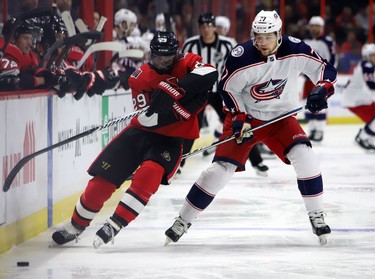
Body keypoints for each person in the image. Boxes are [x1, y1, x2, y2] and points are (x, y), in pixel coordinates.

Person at [165, 10, 337, 246]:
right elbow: (227, 89)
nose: (262, 42)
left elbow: (325, 70)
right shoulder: (241, 56)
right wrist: (239, 116)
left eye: (267, 36)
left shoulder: (296, 49)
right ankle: (182, 220)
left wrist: (322, 88)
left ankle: (316, 215)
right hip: (248, 118)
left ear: (279, 34)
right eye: (258, 36)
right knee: (218, 172)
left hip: (281, 119)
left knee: (306, 158)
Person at [51, 31, 218, 248]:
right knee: (101, 181)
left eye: (167, 59)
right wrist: (174, 108)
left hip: (171, 140)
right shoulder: (139, 77)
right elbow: (148, 121)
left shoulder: (187, 62)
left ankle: (116, 223)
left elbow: (210, 72)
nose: (163, 63)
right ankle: (75, 226)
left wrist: (175, 90)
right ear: (151, 55)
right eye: (158, 58)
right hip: (140, 133)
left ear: (176, 55)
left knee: (148, 174)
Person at [179, 12, 268, 176]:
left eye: (209, 26)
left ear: (214, 27)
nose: (206, 29)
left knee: (239, 122)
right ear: (199, 28)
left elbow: (239, 64)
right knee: (192, 127)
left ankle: (257, 161)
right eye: (203, 26)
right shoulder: (191, 44)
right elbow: (182, 67)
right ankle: (179, 164)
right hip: (198, 93)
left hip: (221, 92)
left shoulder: (228, 44)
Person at [302, 16, 336, 142]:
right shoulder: (305, 41)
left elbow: (332, 59)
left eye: (317, 26)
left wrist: (328, 75)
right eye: (312, 25)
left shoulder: (328, 41)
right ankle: (311, 130)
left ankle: (320, 130)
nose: (315, 28)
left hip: (321, 78)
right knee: (307, 102)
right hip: (307, 78)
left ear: (322, 28)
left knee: (320, 101)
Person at [341, 43, 375, 151]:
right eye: (373, 55)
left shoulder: (367, 65)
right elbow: (371, 87)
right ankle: (362, 137)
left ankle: (369, 140)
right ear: (367, 56)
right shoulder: (367, 66)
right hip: (356, 100)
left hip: (359, 99)